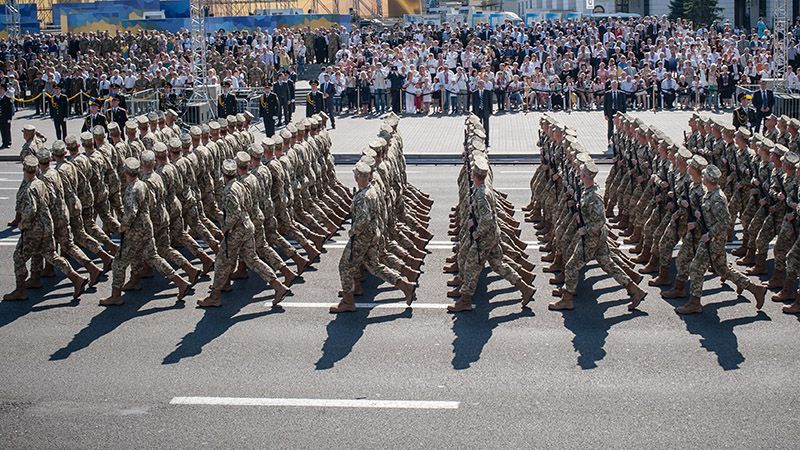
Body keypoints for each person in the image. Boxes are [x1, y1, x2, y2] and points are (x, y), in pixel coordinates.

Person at [101, 157, 191, 306]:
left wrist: (122, 227)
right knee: (153, 257)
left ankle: (115, 296)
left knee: (119, 262)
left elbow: (131, 213)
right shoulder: (142, 184)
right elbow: (152, 202)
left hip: (135, 231)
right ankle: (180, 281)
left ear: (125, 172)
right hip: (146, 226)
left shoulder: (132, 189)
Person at [3, 156, 89, 302]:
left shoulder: (30, 187)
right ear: (36, 168)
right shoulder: (40, 183)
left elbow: (31, 210)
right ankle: (76, 278)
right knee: (51, 255)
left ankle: (20, 290)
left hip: (34, 230)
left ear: (24, 169)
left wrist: (23, 224)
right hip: (47, 225)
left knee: (18, 258)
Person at [471, 80, 492, 146]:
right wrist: (473, 113)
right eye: (479, 84)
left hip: (485, 111)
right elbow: (473, 104)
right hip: (478, 111)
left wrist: (490, 112)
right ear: (477, 85)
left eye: (482, 84)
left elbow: (490, 102)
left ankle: (486, 142)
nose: (481, 85)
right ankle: (479, 142)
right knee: (478, 127)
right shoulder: (475, 93)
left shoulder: (487, 92)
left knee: (486, 126)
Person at [0, 83, 13, 149]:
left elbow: (10, 109)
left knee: (7, 130)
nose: (0, 91)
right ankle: (4, 143)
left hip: (6, 117)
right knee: (2, 131)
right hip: (0, 118)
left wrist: (10, 118)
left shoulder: (7, 99)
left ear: (4, 91)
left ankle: (8, 142)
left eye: (2, 89)